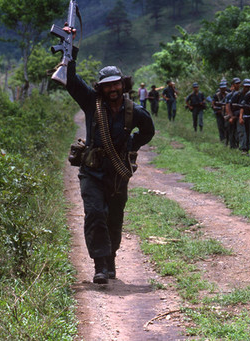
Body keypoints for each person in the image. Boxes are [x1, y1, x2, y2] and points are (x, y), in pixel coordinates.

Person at [61, 26, 155, 284]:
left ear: (123, 85)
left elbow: (148, 131)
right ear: (100, 89)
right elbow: (70, 80)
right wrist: (71, 46)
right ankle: (99, 265)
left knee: (114, 216)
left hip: (117, 174)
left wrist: (132, 144)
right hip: (91, 171)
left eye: (116, 84)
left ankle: (110, 259)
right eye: (107, 86)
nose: (112, 89)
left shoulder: (134, 111)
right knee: (95, 213)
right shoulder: (92, 102)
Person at [235, 78, 250, 155]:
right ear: (243, 86)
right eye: (246, 87)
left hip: (249, 115)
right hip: (240, 114)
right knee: (241, 132)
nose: (247, 88)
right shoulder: (238, 94)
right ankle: (243, 148)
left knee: (248, 132)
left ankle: (247, 148)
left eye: (248, 87)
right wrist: (239, 116)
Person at [224, 78, 241, 149]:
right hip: (231, 115)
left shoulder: (241, 94)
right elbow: (227, 106)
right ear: (233, 84)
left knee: (238, 131)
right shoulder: (229, 95)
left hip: (238, 115)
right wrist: (231, 117)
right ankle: (232, 145)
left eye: (239, 83)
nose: (238, 85)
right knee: (231, 130)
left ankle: (237, 145)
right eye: (236, 83)